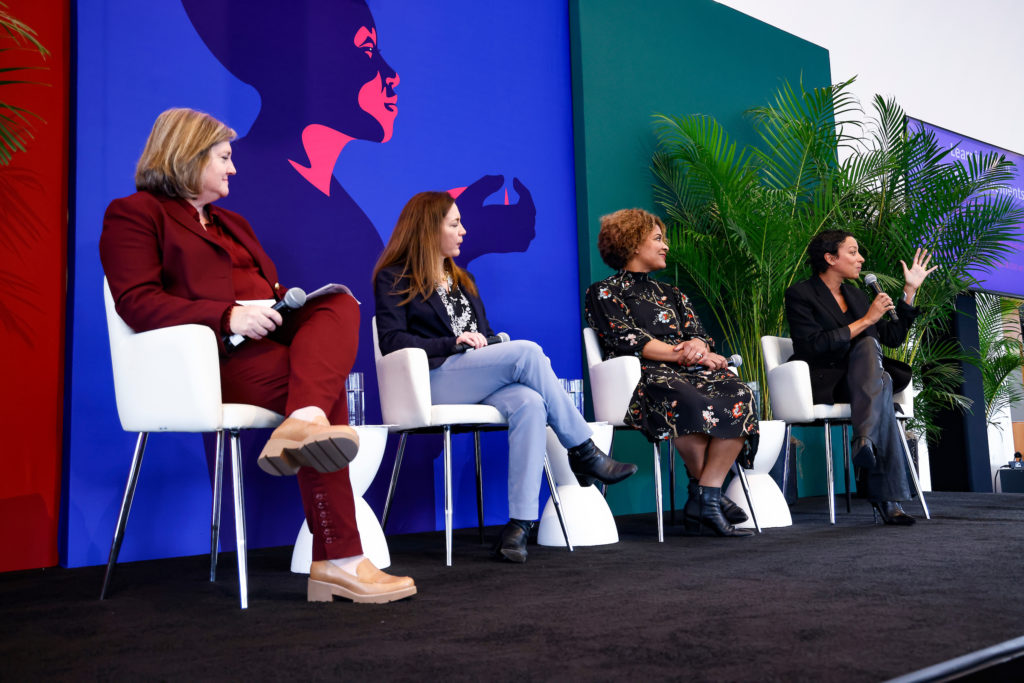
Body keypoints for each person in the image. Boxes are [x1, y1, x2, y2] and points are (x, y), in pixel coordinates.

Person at [99, 108, 416, 602]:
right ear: (188, 155)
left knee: (338, 302)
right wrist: (229, 317)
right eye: (224, 157)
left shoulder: (233, 223)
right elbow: (136, 303)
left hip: (269, 342)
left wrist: (287, 303)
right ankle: (339, 560)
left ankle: (305, 421)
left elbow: (266, 287)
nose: (233, 169)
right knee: (322, 398)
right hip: (211, 362)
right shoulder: (137, 214)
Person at [373, 191, 637, 563]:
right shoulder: (394, 277)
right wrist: (453, 341)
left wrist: (489, 342)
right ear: (428, 229)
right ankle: (584, 450)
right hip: (429, 382)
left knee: (530, 403)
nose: (464, 231)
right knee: (528, 352)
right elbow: (392, 340)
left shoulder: (464, 280)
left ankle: (518, 526)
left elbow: (484, 333)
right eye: (454, 224)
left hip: (472, 377)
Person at [585, 209, 758, 538]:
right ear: (633, 243)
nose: (666, 246)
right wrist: (684, 353)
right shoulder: (604, 292)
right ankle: (710, 499)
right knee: (686, 398)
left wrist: (697, 345)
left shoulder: (674, 294)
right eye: (658, 239)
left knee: (740, 394)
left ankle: (706, 493)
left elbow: (702, 336)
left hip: (692, 370)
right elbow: (626, 340)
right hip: (645, 376)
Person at [785, 230, 935, 525]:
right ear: (830, 258)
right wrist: (867, 320)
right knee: (879, 376)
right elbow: (811, 345)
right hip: (825, 379)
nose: (861, 258)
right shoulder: (800, 294)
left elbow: (890, 338)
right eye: (852, 252)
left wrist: (909, 292)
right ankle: (885, 495)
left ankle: (865, 440)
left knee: (880, 371)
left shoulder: (855, 294)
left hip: (862, 381)